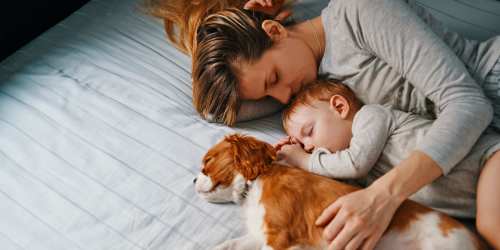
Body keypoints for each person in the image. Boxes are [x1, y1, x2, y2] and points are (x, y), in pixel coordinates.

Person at [189, 0, 500, 248]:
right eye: (268, 94)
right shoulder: (311, 91)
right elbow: (216, 113)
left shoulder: (360, 11)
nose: (281, 96)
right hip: (481, 149)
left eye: (275, 78)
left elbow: (467, 105)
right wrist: (243, 27)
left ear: (275, 32)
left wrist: (382, 196)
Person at [278, 78, 500, 228]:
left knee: (490, 226)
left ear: (339, 107)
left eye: (308, 132)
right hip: (474, 200)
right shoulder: (361, 177)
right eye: (301, 143)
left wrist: (303, 160)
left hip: (490, 159)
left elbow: (354, 163)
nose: (306, 147)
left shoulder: (370, 117)